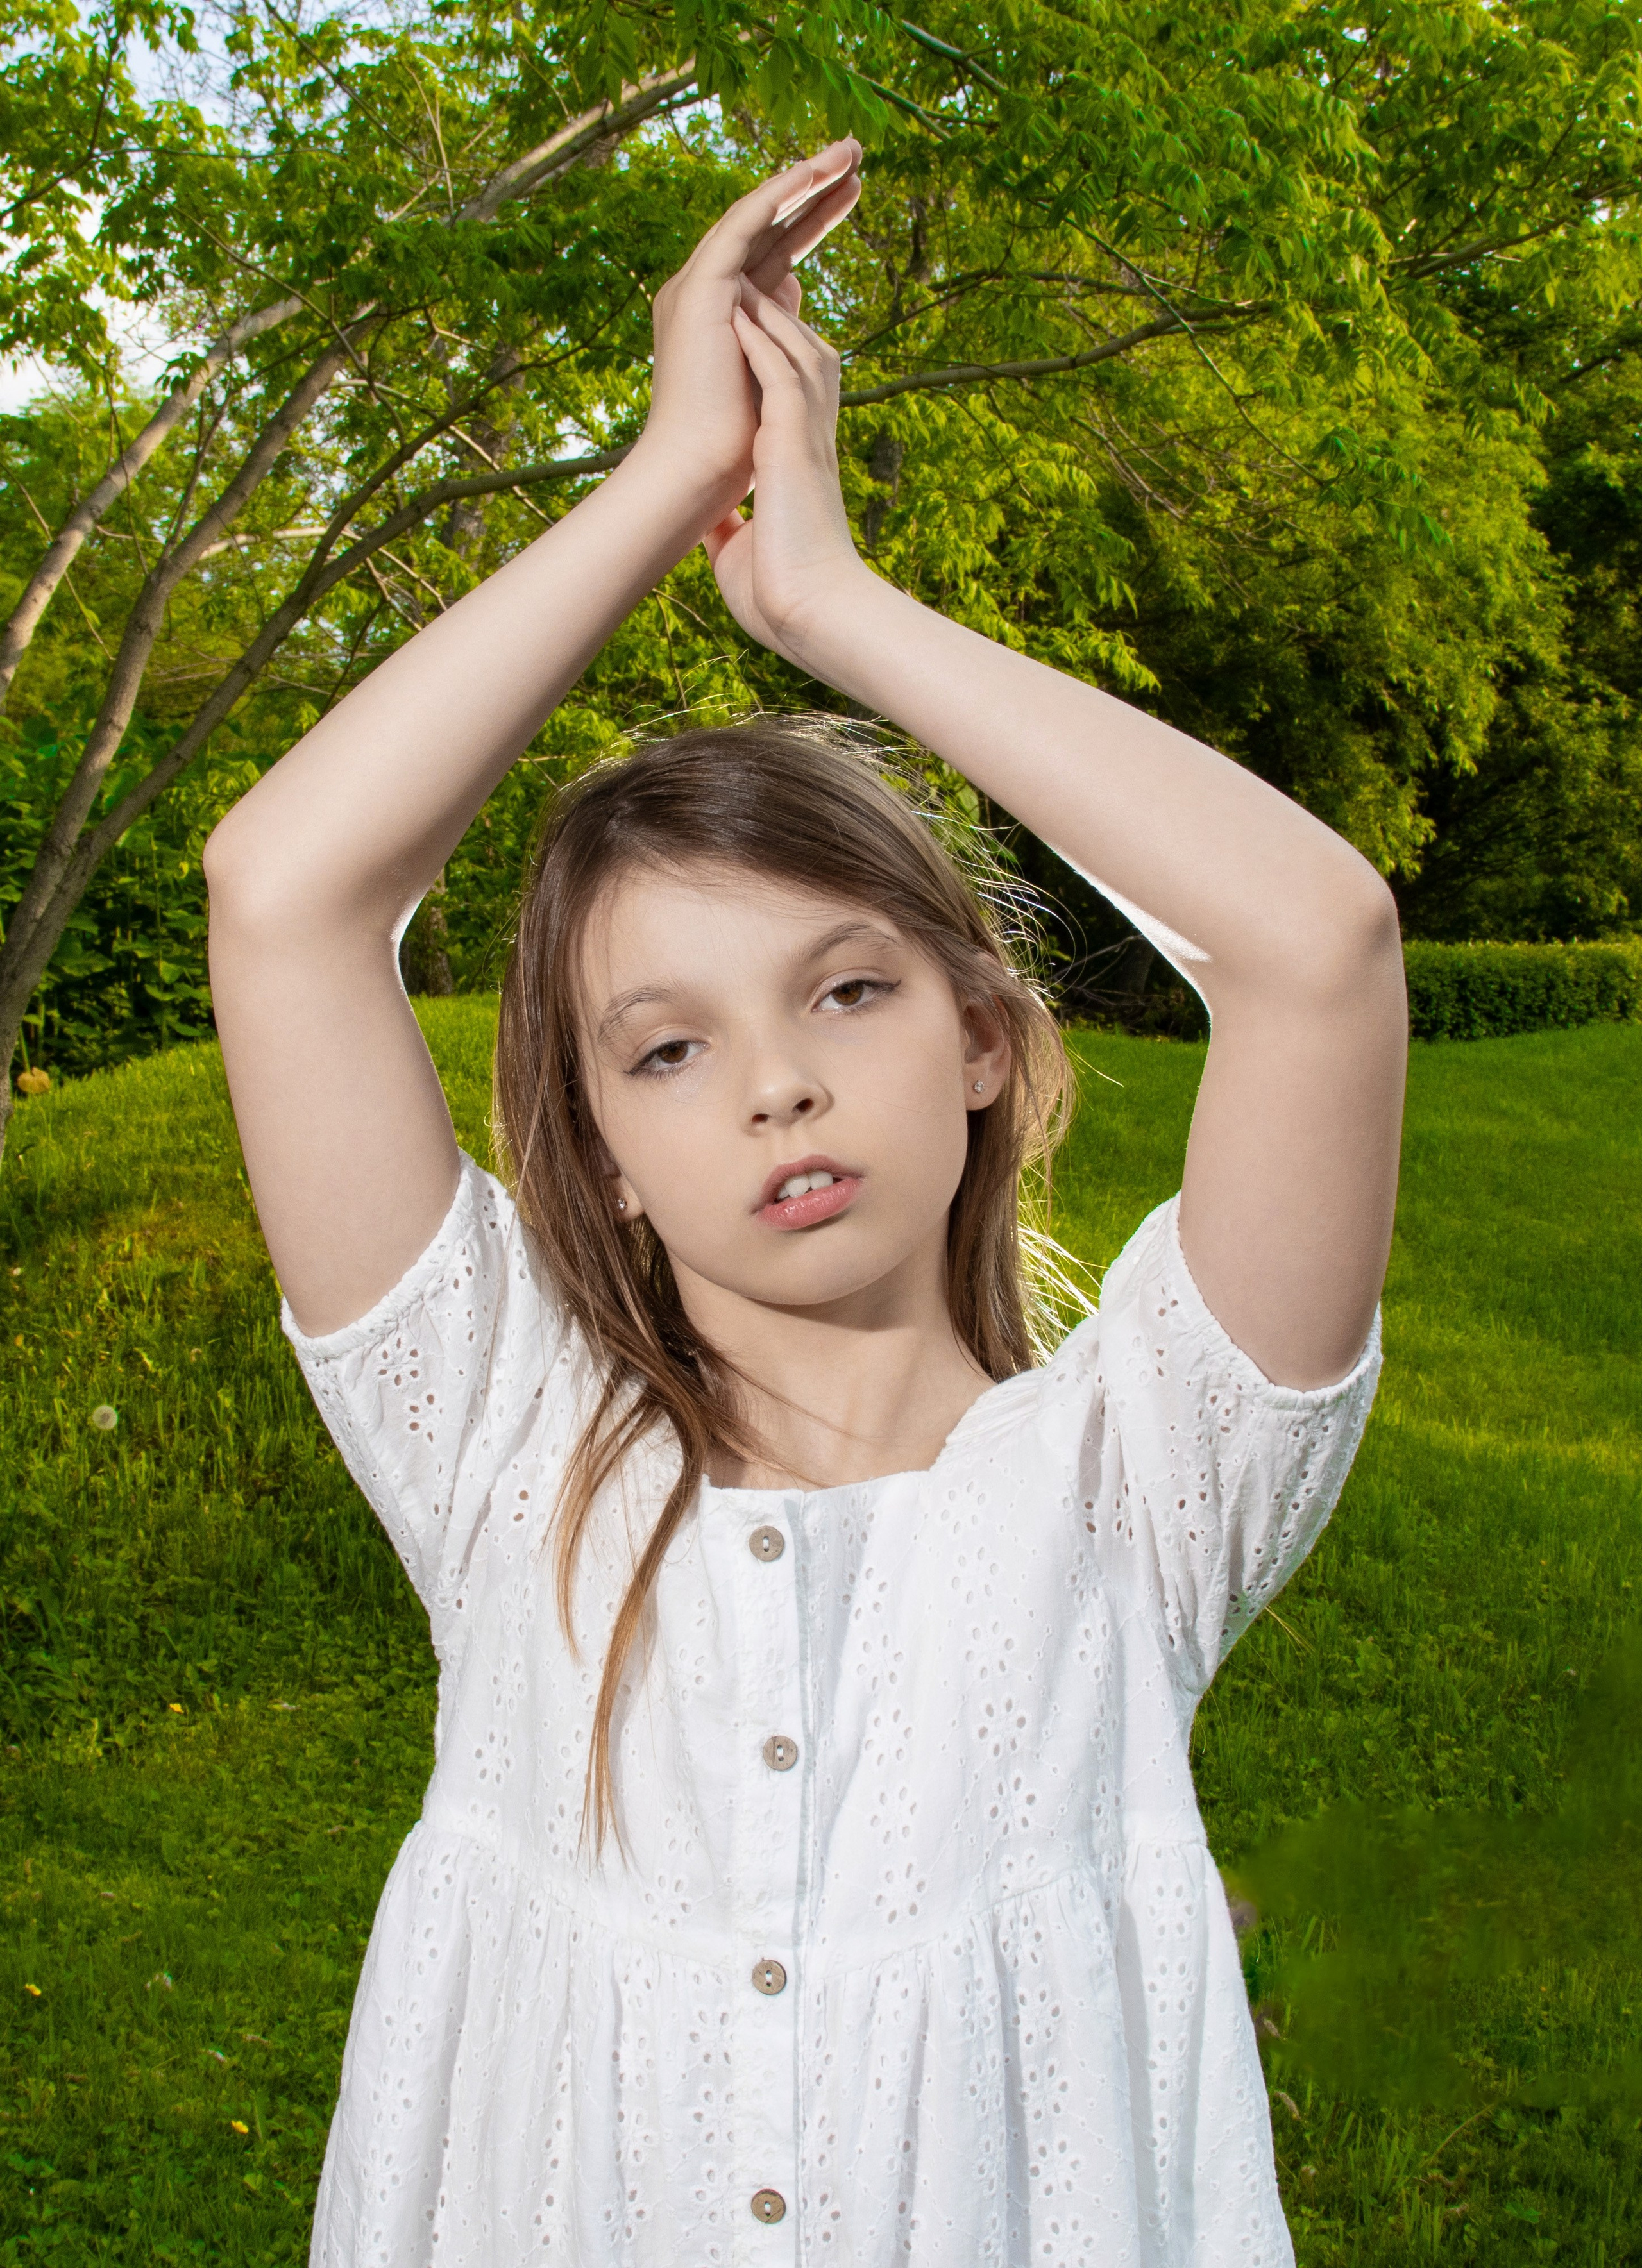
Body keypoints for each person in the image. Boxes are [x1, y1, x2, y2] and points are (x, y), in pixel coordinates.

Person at [204, 138, 1406, 2268]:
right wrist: (671, 474)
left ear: (972, 1034)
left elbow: (1314, 945)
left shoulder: (1137, 1479)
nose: (771, 1079)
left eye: (844, 988)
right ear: (603, 1150)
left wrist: (831, 604)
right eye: (664, 1046)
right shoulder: (503, 1449)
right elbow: (285, 895)